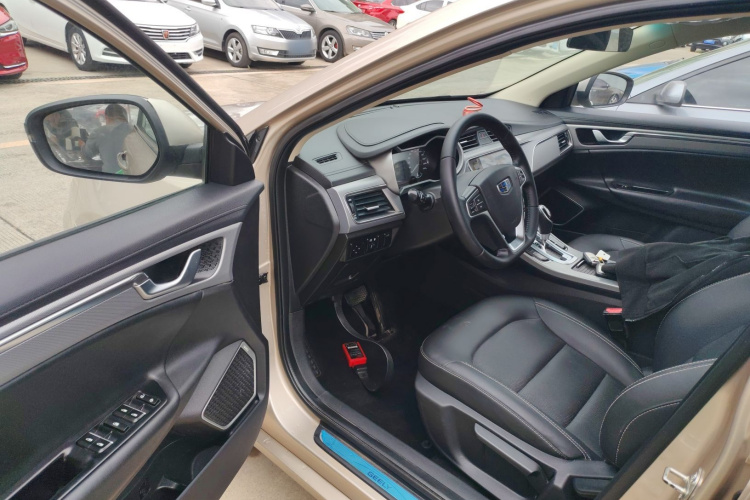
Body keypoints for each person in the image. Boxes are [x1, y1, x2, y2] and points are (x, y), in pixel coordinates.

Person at [82, 104, 132, 174]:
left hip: (109, 177)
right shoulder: (134, 131)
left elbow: (87, 154)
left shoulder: (99, 132)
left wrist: (82, 145)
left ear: (106, 117)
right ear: (125, 117)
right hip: (133, 174)